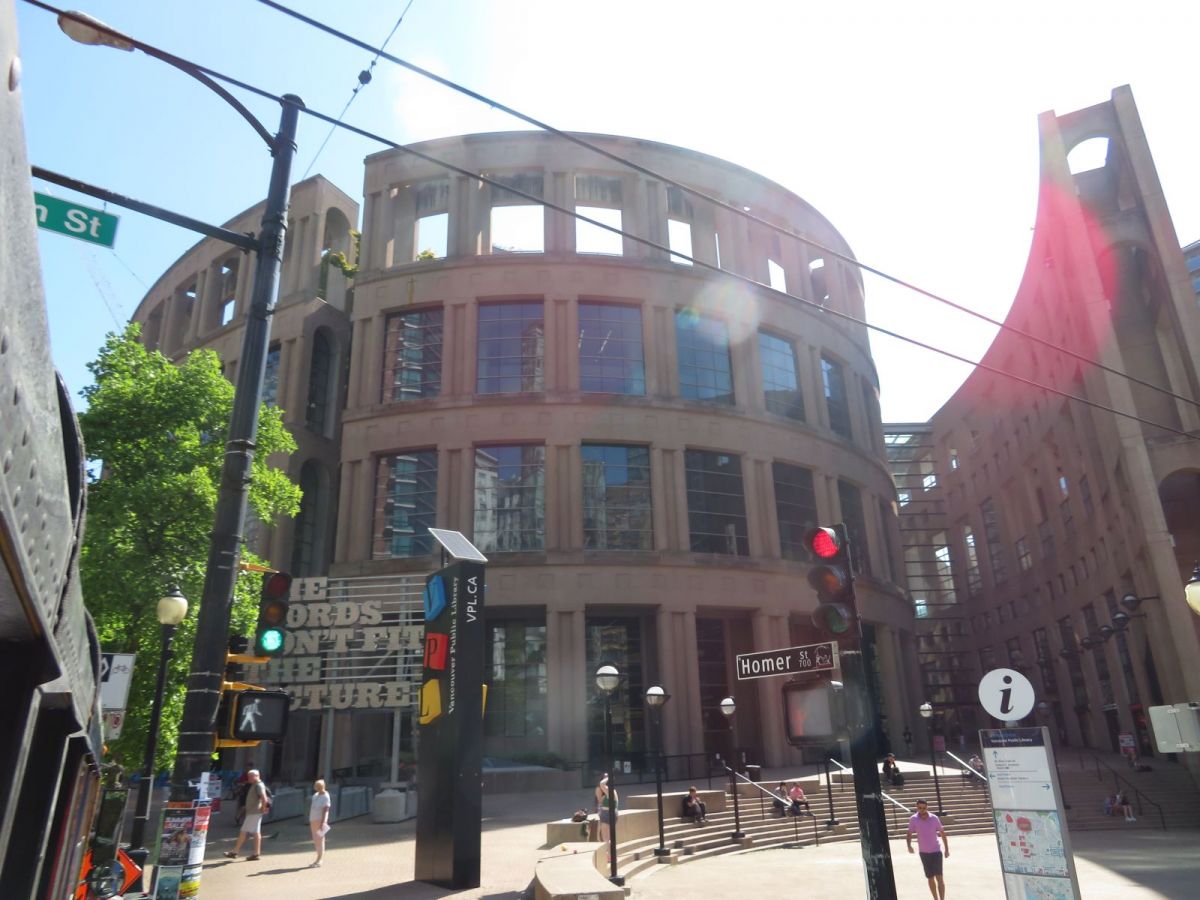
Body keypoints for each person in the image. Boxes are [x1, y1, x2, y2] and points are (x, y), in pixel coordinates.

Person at [907, 798, 950, 900]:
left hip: (936, 851)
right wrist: (909, 845)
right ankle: (935, 898)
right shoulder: (913, 819)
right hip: (924, 853)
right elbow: (909, 833)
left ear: (927, 807)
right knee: (930, 877)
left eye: (924, 808)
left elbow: (942, 833)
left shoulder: (934, 818)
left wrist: (946, 849)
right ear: (917, 807)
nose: (922, 810)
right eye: (919, 808)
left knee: (939, 877)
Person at [224, 769, 269, 861]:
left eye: (251, 776)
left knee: (244, 831)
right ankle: (256, 853)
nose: (249, 778)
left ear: (257, 776)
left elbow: (264, 798)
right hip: (254, 812)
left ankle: (235, 852)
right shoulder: (256, 785)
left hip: (254, 812)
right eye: (248, 776)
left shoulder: (258, 785)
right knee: (255, 833)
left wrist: (263, 808)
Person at [309, 779, 331, 867]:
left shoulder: (326, 797)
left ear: (323, 787)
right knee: (315, 840)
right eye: (316, 786)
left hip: (320, 821)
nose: (316, 788)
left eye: (318, 786)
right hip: (313, 820)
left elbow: (326, 810)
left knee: (320, 840)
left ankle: (320, 859)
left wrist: (323, 822)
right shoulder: (315, 795)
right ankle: (317, 858)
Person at [595, 775, 618, 843]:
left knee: (606, 839)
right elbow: (600, 802)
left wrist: (609, 777)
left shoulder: (609, 790)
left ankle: (608, 849)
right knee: (608, 838)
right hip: (609, 813)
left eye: (606, 778)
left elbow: (601, 784)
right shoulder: (610, 791)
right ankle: (610, 849)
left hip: (607, 814)